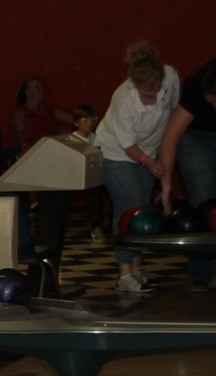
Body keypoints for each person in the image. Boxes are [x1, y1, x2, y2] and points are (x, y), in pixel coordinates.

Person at [95, 41, 179, 294]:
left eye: (156, 87)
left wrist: (160, 168)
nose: (152, 94)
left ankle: (137, 267)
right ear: (134, 84)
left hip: (149, 149)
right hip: (118, 152)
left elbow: (173, 116)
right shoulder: (124, 98)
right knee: (128, 209)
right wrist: (149, 162)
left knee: (143, 210)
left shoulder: (171, 77)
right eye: (146, 91)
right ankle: (124, 275)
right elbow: (127, 145)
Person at [157, 57, 216, 293]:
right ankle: (200, 274)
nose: (213, 106)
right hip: (194, 138)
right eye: (211, 101)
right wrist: (166, 187)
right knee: (204, 202)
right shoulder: (196, 86)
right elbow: (170, 139)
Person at [68, 104, 107, 243]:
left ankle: (99, 225)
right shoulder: (72, 139)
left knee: (100, 189)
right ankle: (95, 225)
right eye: (85, 121)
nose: (89, 124)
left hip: (92, 175)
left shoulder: (95, 137)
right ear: (76, 123)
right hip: (75, 174)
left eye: (93, 120)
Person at [8, 76, 72, 155]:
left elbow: (71, 119)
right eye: (37, 87)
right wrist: (25, 146)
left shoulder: (49, 109)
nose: (41, 89)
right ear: (27, 91)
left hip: (46, 148)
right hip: (24, 148)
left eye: (41, 86)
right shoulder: (20, 111)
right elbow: (19, 133)